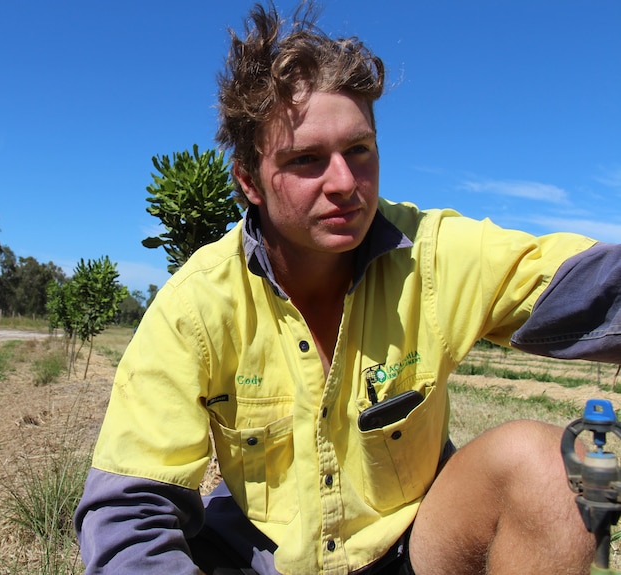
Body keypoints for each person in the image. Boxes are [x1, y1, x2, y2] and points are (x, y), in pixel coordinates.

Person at [74, 3, 621, 574]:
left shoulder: (432, 258)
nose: (345, 183)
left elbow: (589, 288)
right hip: (263, 557)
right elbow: (130, 513)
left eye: (358, 150)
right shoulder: (196, 307)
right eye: (306, 160)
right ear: (247, 181)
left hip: (415, 544)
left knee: (551, 466)